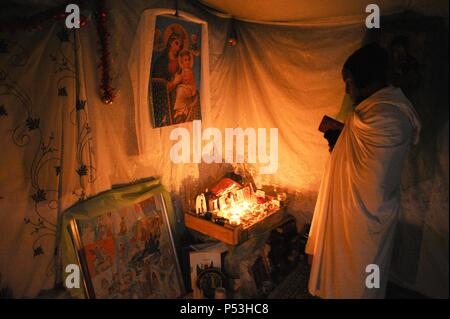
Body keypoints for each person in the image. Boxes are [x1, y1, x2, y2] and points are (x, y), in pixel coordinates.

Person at [305, 43, 421, 298]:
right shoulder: (369, 113)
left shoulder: (388, 117)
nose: (346, 89)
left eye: (349, 81)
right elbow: (357, 157)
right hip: (347, 213)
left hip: (366, 219)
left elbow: (373, 178)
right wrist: (340, 143)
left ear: (367, 81)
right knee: (341, 278)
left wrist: (344, 139)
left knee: (359, 281)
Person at [173, 50, 198, 121]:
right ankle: (181, 111)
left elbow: (187, 81)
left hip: (190, 89)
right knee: (179, 89)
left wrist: (180, 78)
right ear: (182, 62)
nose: (187, 62)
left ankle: (180, 110)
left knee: (180, 89)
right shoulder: (183, 70)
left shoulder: (189, 71)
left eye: (188, 60)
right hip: (186, 88)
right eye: (185, 60)